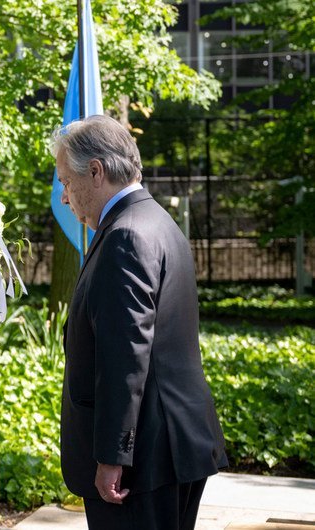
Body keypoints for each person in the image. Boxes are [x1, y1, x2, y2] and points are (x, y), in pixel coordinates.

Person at [52, 115, 227, 530]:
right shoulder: (157, 221)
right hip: (168, 449)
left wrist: (112, 457)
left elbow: (124, 357)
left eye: (65, 181)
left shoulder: (126, 236)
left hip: (143, 462)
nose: (64, 197)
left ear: (95, 172)